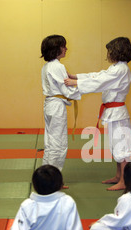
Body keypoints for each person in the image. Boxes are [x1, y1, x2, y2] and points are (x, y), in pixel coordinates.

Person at [65, 37, 131, 191]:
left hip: (118, 114)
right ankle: (118, 176)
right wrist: (78, 77)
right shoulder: (116, 68)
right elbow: (99, 76)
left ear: (117, 51)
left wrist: (77, 84)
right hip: (112, 112)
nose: (108, 54)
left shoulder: (121, 69)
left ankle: (124, 180)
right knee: (116, 146)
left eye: (110, 51)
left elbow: (101, 82)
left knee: (122, 147)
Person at [40, 35, 81, 177]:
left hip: (50, 104)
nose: (66, 49)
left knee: (50, 142)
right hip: (56, 106)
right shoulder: (58, 66)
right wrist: (82, 87)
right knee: (59, 144)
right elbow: (67, 90)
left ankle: (45, 175)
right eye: (64, 46)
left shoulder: (46, 66)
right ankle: (52, 178)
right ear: (56, 49)